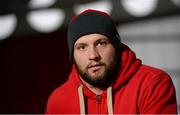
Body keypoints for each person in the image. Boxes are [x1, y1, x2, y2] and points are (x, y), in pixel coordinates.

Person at [45, 9, 177, 114]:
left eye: (101, 43)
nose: (93, 55)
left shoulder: (152, 84)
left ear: (116, 46)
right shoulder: (58, 101)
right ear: (72, 55)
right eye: (82, 47)